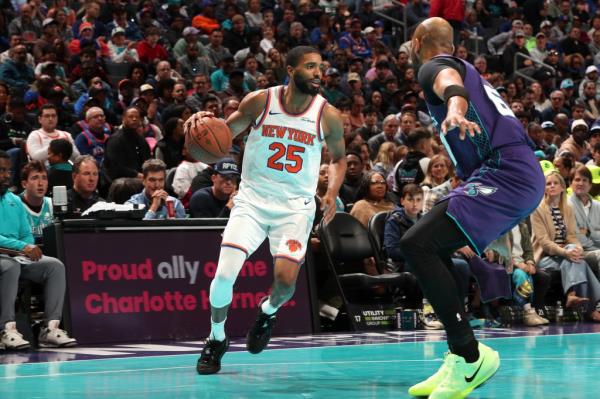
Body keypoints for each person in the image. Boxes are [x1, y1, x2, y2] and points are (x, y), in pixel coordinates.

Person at [398, 18, 545, 398]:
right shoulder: (473, 72)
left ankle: (470, 355)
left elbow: (449, 83)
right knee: (433, 245)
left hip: (505, 171)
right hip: (508, 171)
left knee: (416, 244)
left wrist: (453, 107)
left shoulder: (435, 65)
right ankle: (460, 355)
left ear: (417, 41)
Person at [185, 46, 346, 375]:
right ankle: (216, 338)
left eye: (321, 67)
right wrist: (200, 123)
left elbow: (339, 158)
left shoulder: (327, 115)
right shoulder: (261, 101)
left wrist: (331, 192)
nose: (318, 73)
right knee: (224, 275)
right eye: (310, 66)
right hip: (252, 202)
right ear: (290, 70)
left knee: (286, 281)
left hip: (295, 210)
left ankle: (268, 312)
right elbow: (222, 135)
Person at [0, 150, 77, 350]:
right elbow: (19, 243)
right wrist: (22, 247)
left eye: (8, 171)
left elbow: (26, 234)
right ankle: (5, 329)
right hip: (7, 259)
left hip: (16, 257)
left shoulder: (14, 200)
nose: (6, 175)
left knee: (54, 266)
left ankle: (49, 329)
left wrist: (27, 247)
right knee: (9, 267)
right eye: (1, 170)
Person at [531, 170, 600, 321]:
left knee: (576, 257)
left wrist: (578, 248)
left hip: (564, 257)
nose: (552, 186)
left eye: (556, 183)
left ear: (563, 187)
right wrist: (566, 251)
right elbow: (545, 242)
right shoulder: (537, 210)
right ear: (544, 188)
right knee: (577, 260)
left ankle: (572, 296)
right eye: (548, 184)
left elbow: (571, 236)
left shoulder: (567, 209)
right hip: (545, 257)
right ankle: (592, 309)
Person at [19, 161, 53, 244]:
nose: (40, 183)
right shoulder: (15, 205)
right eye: (35, 178)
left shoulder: (52, 204)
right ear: (24, 184)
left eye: (44, 178)